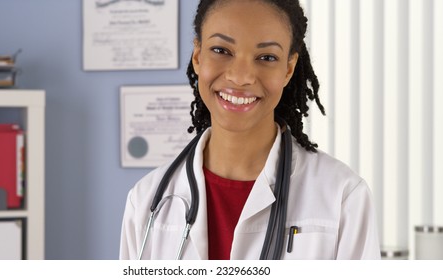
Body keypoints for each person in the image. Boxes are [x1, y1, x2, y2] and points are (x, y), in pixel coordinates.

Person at [120, 0, 380, 260]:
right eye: (221, 50)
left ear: (288, 69)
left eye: (266, 57)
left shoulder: (343, 197)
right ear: (197, 56)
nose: (241, 76)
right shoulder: (145, 200)